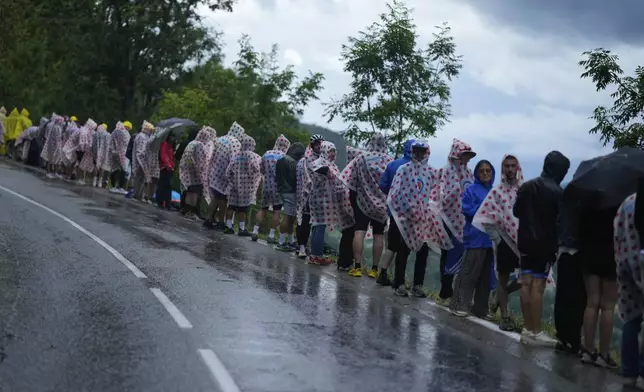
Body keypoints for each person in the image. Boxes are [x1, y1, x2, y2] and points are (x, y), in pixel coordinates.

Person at [513, 150, 570, 346]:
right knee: (538, 286)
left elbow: (516, 211)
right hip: (545, 245)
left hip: (525, 242)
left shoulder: (527, 186)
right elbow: (560, 222)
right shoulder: (558, 192)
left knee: (525, 283)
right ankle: (536, 332)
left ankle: (527, 329)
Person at [473, 154, 524, 330]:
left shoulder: (524, 190)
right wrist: (496, 238)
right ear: (502, 168)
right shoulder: (497, 192)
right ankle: (505, 317)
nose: (510, 169)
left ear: (517, 168)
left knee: (524, 279)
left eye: (513, 166)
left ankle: (497, 297)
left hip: (522, 244)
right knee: (502, 280)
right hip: (503, 243)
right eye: (506, 166)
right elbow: (484, 215)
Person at [385, 140, 437, 297]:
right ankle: (399, 283)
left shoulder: (431, 172)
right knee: (403, 250)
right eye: (417, 150)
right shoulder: (404, 169)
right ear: (412, 151)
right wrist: (405, 210)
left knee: (423, 251)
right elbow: (394, 193)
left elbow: (434, 195)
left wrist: (429, 212)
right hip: (406, 218)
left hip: (422, 220)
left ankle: (417, 285)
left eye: (423, 151)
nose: (420, 154)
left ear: (427, 152)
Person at [340, 133, 392, 278]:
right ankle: (374, 269)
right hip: (381, 206)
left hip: (362, 203)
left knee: (359, 232)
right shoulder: (389, 161)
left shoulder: (361, 158)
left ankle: (357, 267)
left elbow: (351, 180)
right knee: (378, 235)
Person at [377, 139, 427, 287]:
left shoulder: (394, 164)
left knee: (393, 245)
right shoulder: (420, 170)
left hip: (395, 213)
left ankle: (384, 273)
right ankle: (402, 281)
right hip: (415, 217)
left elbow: (383, 185)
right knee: (406, 248)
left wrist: (393, 199)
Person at [450, 160, 495, 317]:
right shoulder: (471, 190)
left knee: (486, 276)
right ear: (477, 173)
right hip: (475, 237)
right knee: (469, 272)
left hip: (490, 239)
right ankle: (460, 304)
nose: (485, 173)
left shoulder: (493, 192)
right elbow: (466, 209)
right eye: (482, 171)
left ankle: (480, 308)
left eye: (488, 171)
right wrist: (485, 208)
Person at [577, 205, 619, 367]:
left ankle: (588, 351)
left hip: (590, 254)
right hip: (611, 256)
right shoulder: (620, 202)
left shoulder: (590, 198)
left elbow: (581, 230)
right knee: (608, 307)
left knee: (592, 302)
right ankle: (603, 355)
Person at [437, 138, 476, 301]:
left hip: (463, 219)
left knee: (460, 253)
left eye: (468, 155)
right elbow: (443, 194)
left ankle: (453, 288)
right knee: (447, 252)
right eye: (464, 155)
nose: (466, 159)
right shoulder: (447, 170)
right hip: (448, 219)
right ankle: (445, 288)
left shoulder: (468, 173)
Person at [614, 180, 644, 389]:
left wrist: (619, 262)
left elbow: (617, 234)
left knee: (631, 318)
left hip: (627, 265)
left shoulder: (629, 202)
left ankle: (629, 373)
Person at [553, 189, 585, 355]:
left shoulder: (566, 198)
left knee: (563, 295)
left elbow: (558, 223)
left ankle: (562, 336)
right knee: (579, 299)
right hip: (580, 253)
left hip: (564, 250)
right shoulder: (590, 201)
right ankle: (575, 338)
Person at [303, 141, 338, 265]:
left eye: (334, 151)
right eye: (330, 151)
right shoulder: (322, 165)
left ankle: (314, 255)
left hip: (318, 198)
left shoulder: (318, 162)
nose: (333, 153)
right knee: (321, 226)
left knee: (317, 225)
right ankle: (317, 255)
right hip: (321, 199)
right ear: (324, 151)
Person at [204, 122, 244, 229]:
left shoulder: (220, 139)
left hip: (214, 172)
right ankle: (221, 222)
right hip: (225, 175)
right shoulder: (235, 143)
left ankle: (209, 217)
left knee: (216, 196)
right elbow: (234, 161)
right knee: (223, 199)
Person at [252, 134, 291, 243]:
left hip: (267, 186)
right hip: (278, 189)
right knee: (276, 212)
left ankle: (255, 231)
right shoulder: (285, 158)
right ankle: (271, 235)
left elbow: (261, 170)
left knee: (263, 209)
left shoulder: (266, 154)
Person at [224, 134, 261, 236]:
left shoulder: (236, 155)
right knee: (243, 208)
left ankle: (228, 226)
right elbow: (257, 169)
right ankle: (241, 229)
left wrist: (232, 181)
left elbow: (228, 171)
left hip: (233, 186)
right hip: (246, 187)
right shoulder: (252, 156)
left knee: (231, 206)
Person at [295, 134, 324, 259]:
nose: (319, 147)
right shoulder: (307, 159)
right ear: (312, 146)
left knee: (311, 223)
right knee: (304, 221)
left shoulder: (322, 158)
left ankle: (305, 246)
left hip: (318, 196)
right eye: (317, 144)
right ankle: (301, 247)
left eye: (321, 144)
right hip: (306, 195)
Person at [179, 126, 217, 219]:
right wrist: (202, 171)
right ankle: (191, 212)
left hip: (187, 172)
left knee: (189, 192)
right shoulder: (200, 145)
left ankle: (186, 209)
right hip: (196, 174)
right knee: (195, 193)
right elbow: (200, 160)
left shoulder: (192, 143)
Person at [274, 142, 305, 251]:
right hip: (291, 191)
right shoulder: (293, 163)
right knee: (288, 216)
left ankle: (290, 241)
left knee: (291, 216)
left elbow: (276, 176)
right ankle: (281, 242)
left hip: (282, 190)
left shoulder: (281, 160)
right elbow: (295, 178)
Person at [132, 121, 155, 202]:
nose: (152, 131)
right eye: (151, 130)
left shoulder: (145, 136)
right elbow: (140, 152)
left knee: (141, 179)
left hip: (142, 161)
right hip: (140, 162)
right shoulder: (142, 137)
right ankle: (136, 195)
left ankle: (138, 195)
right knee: (139, 178)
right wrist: (143, 163)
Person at [108, 121, 132, 194]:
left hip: (113, 153)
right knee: (123, 170)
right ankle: (121, 187)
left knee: (114, 169)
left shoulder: (114, 131)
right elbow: (127, 144)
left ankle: (112, 186)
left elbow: (110, 142)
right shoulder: (125, 133)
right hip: (122, 153)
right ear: (127, 127)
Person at [40, 114, 65, 179]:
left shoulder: (57, 127)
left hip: (55, 145)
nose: (63, 122)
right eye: (62, 121)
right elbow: (57, 138)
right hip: (54, 145)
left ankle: (54, 172)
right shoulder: (56, 127)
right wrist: (58, 146)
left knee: (56, 159)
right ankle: (49, 172)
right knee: (50, 158)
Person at [157, 133, 176, 209]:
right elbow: (163, 154)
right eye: (171, 136)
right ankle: (161, 201)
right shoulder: (165, 144)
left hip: (170, 167)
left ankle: (167, 202)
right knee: (164, 184)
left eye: (173, 137)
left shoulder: (171, 146)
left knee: (168, 186)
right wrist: (168, 164)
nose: (172, 138)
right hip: (165, 167)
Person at [77, 119, 98, 185]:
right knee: (83, 166)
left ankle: (84, 179)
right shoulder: (86, 131)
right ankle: (82, 179)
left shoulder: (91, 132)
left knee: (86, 166)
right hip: (87, 152)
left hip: (89, 152)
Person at [92, 123, 111, 187]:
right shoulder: (108, 134)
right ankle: (100, 182)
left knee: (95, 166)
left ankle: (94, 181)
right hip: (104, 153)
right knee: (102, 167)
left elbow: (93, 144)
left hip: (96, 153)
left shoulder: (95, 134)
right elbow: (108, 145)